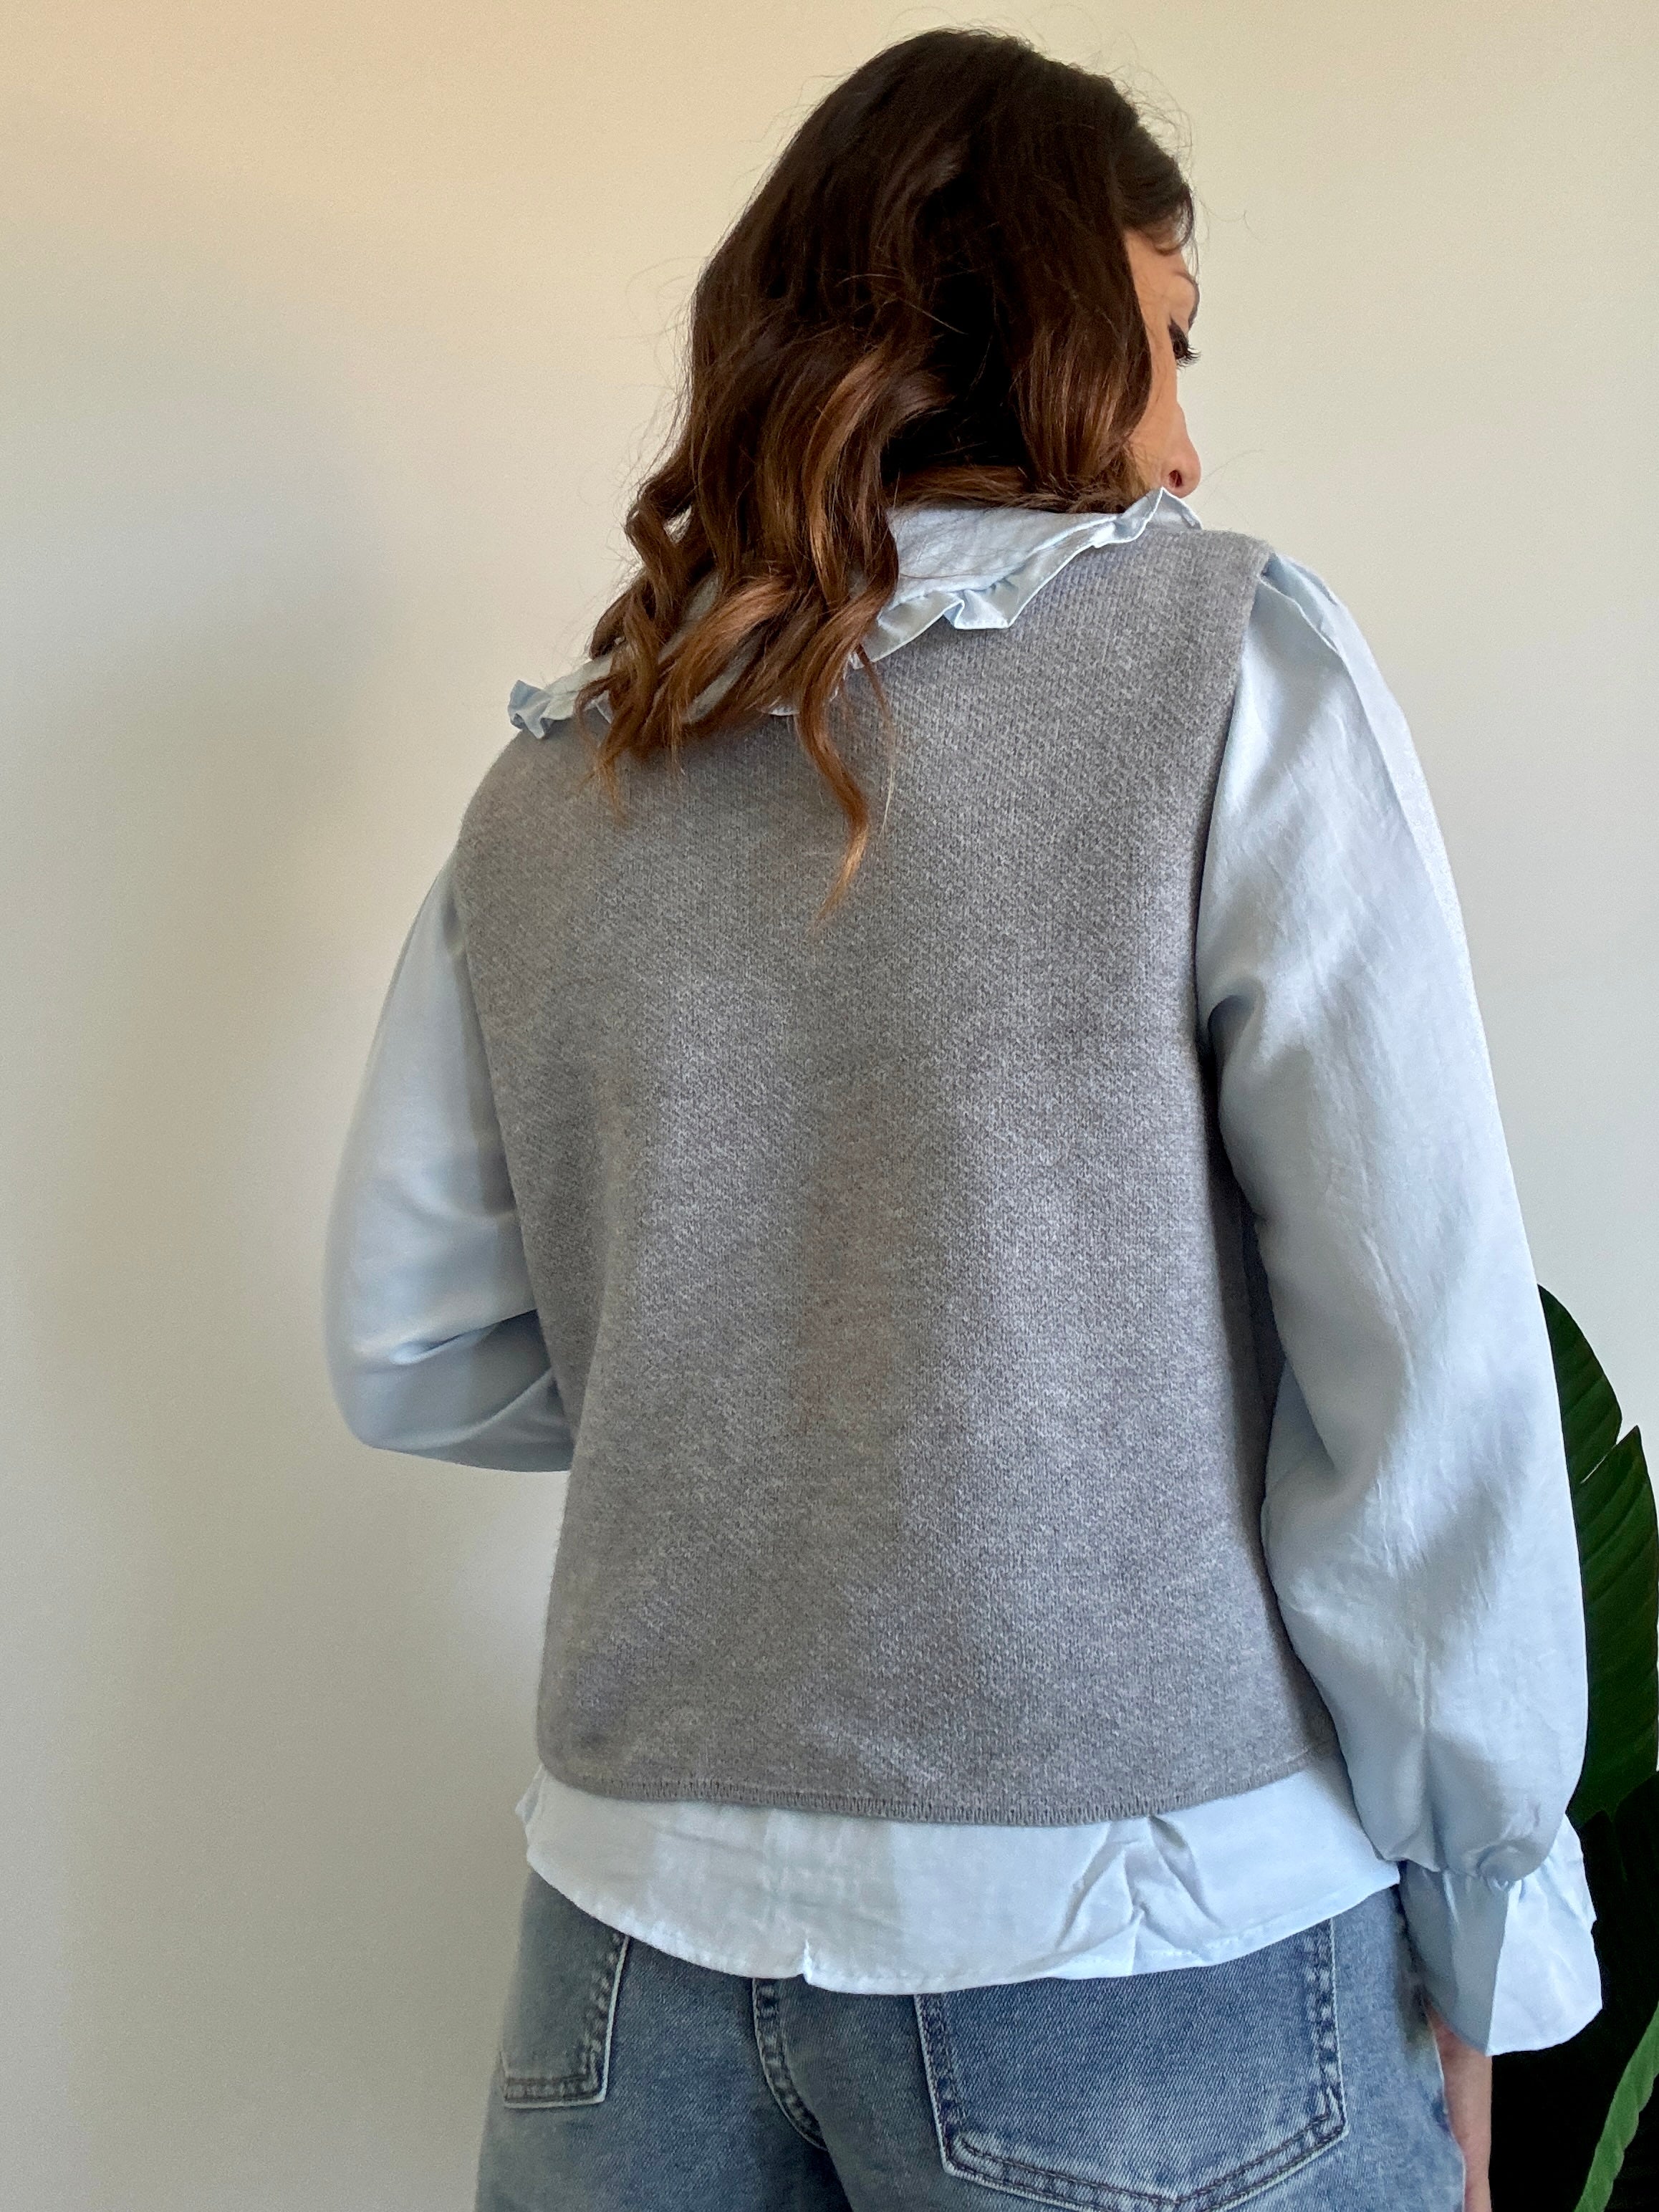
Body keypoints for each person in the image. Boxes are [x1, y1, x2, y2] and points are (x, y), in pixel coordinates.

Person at [322, 28, 1601, 2212]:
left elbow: (414, 1345)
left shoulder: (554, 784)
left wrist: (771, 1406)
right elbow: (1416, 1362)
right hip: (1137, 1946)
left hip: (626, 1961)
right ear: (1044, 341)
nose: (1185, 438)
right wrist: (1488, 1914)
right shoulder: (1222, 667)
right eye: (1161, 343)